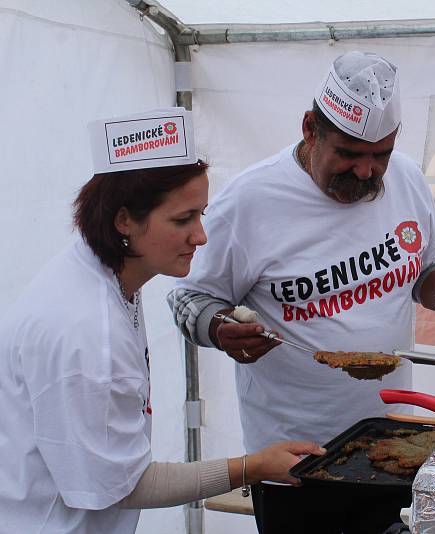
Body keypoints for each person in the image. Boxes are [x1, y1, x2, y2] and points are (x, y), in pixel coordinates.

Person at [168, 52, 435, 534]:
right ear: (310, 128)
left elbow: (428, 262)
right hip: (294, 460)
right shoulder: (250, 202)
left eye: (379, 155)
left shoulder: (405, 177)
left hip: (391, 440)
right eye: (348, 153)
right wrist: (222, 331)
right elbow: (188, 298)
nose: (367, 172)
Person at [0, 108, 324, 534]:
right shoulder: (85, 330)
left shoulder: (106, 279)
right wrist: (252, 466)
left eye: (201, 215)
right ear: (124, 221)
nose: (201, 236)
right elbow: (123, 484)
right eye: (181, 219)